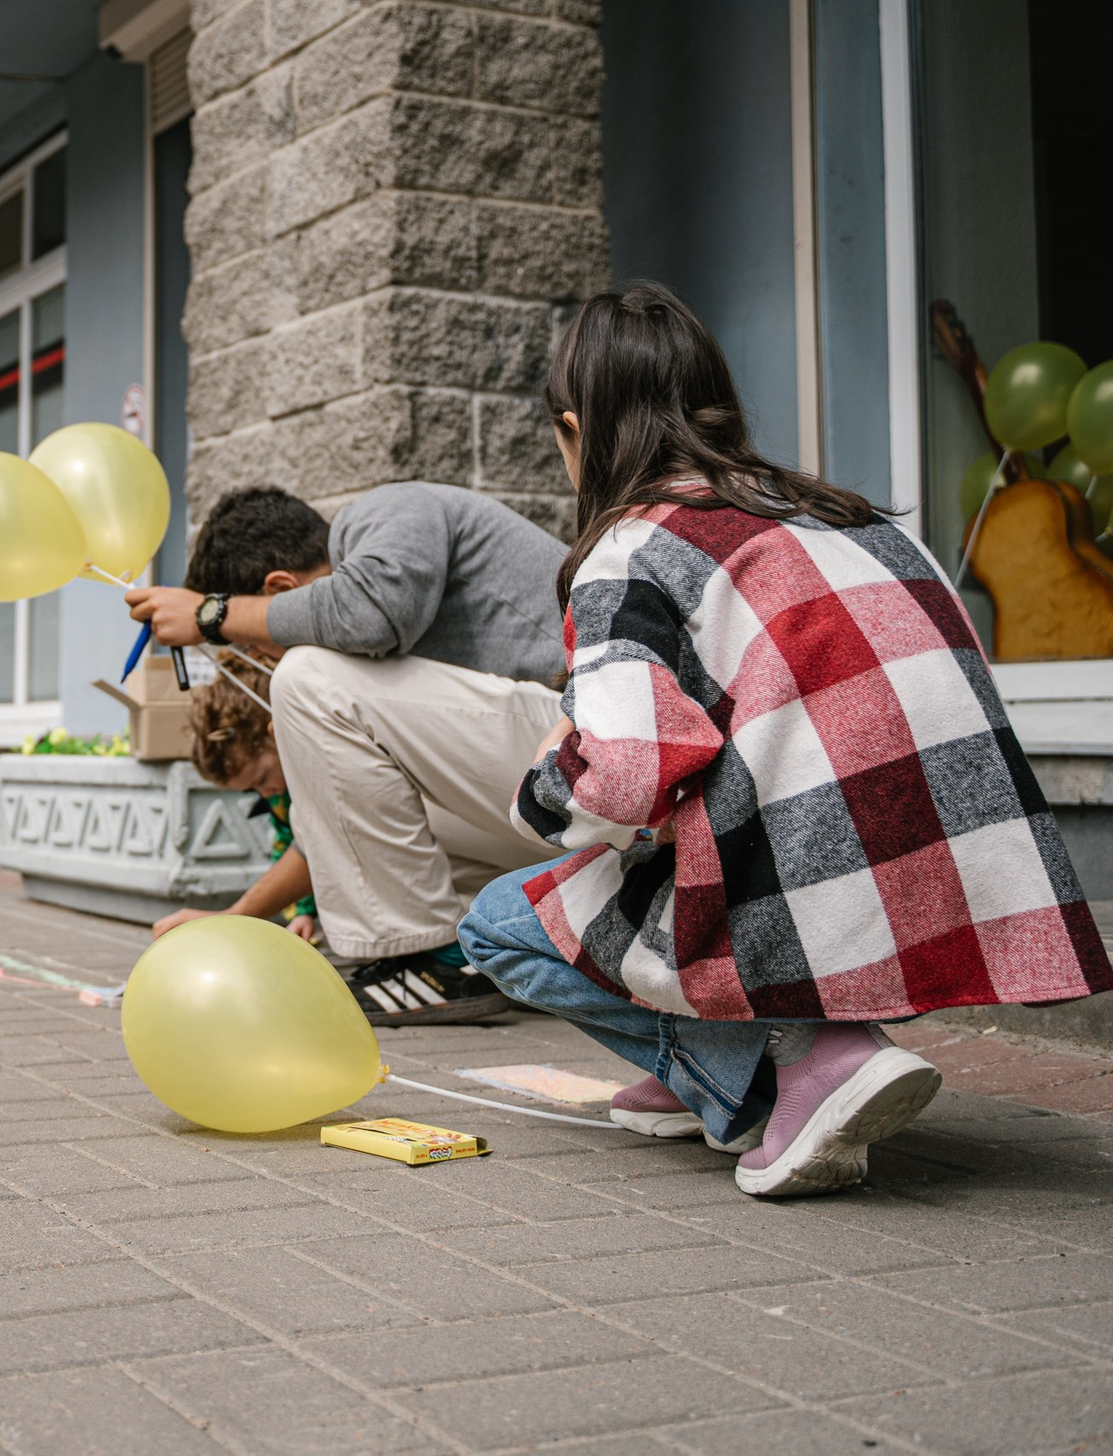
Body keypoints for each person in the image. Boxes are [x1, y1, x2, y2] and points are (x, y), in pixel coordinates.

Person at [458, 282, 1113, 1197]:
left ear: (576, 427)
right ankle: (725, 1065)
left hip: (820, 896)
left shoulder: (631, 546)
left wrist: (543, 783)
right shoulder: (847, 513)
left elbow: (626, 775)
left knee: (498, 922)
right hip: (955, 871)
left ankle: (795, 1066)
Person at [128, 481, 567, 1024]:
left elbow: (371, 614)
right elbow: (344, 824)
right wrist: (236, 920)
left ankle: (434, 966)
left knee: (309, 676)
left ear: (280, 586)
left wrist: (213, 616)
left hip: (597, 751)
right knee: (386, 808)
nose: (259, 652)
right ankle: (521, 960)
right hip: (560, 795)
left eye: (253, 641)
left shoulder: (389, 510)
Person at [151, 672, 318, 946]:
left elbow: (313, 851)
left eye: (263, 779)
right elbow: (296, 849)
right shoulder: (280, 793)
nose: (266, 793)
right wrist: (304, 912)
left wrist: (234, 916)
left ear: (276, 734)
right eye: (253, 788)